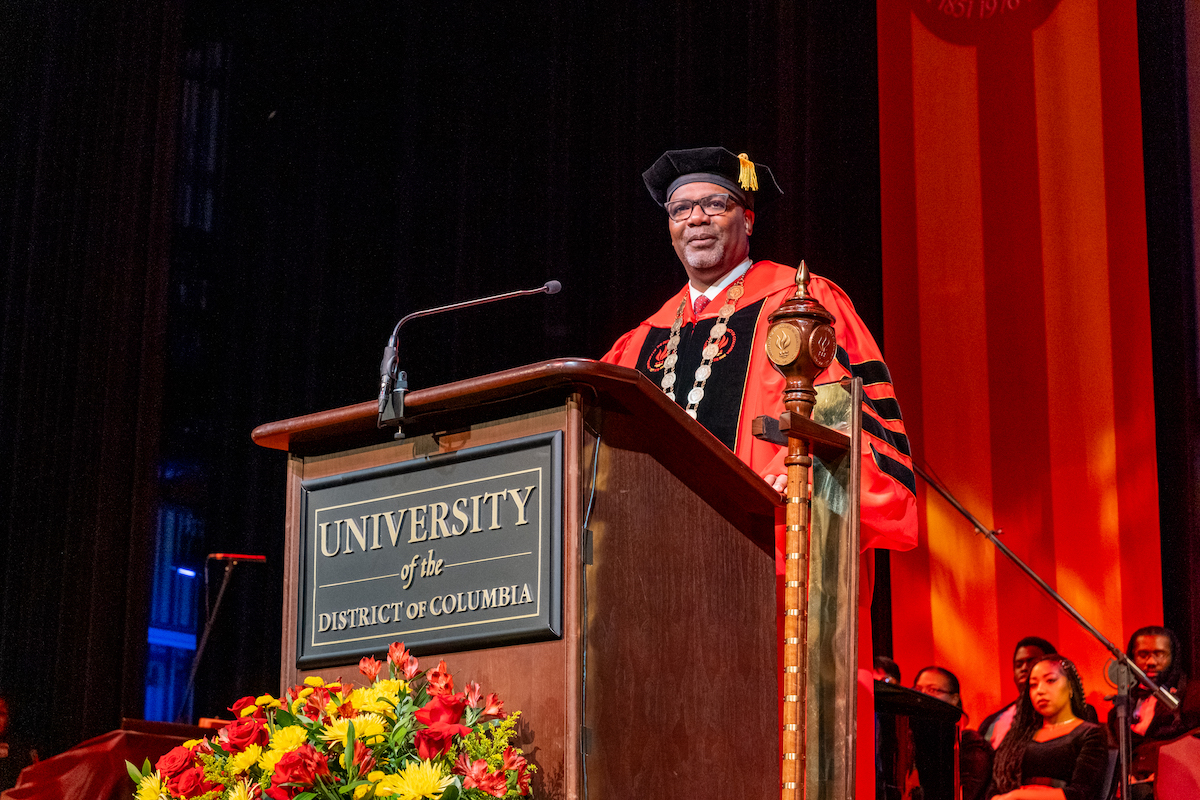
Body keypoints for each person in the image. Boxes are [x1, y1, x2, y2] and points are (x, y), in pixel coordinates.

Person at [602, 146, 918, 795]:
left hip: (779, 567)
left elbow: (860, 425)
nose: (695, 219)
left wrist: (800, 480)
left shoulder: (802, 302)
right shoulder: (640, 342)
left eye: (713, 204)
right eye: (680, 208)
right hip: (662, 587)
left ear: (747, 218)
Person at [991, 655, 1111, 800]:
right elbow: (994, 786)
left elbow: (1080, 793)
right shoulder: (1019, 736)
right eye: (1033, 685)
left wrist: (1018, 796)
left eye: (1050, 680)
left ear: (1070, 686)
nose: (1040, 690)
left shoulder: (1090, 734)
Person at [1106, 625, 1200, 780]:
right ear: (1132, 658)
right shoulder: (1124, 704)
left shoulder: (1193, 695)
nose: (1151, 662)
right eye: (1143, 655)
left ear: (1173, 657)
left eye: (1159, 654)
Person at [913, 666, 994, 800]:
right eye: (918, 689)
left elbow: (966, 794)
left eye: (933, 690)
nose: (923, 695)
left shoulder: (970, 744)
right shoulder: (914, 740)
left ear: (954, 699)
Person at [981, 637, 1058, 750]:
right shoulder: (992, 722)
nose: (1024, 668)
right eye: (1019, 664)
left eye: (1031, 662)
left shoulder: (1075, 713)